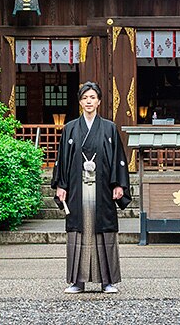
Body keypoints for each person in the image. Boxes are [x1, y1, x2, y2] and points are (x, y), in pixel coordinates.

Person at [51, 80, 131, 294]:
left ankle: (107, 281)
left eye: (92, 97)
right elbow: (63, 159)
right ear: (80, 102)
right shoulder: (70, 128)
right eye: (85, 98)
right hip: (77, 188)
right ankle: (77, 281)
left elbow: (118, 159)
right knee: (80, 230)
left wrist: (119, 184)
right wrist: (61, 185)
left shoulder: (109, 128)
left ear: (99, 102)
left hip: (102, 187)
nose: (89, 101)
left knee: (103, 230)